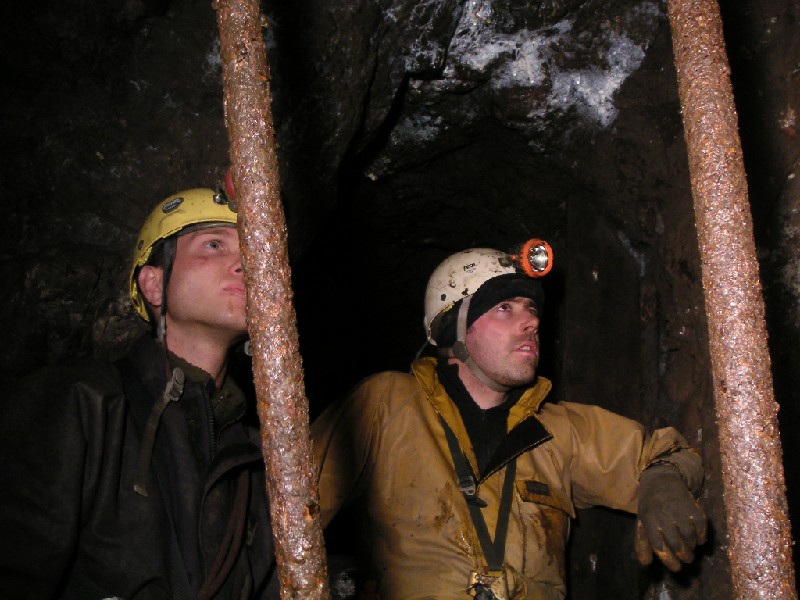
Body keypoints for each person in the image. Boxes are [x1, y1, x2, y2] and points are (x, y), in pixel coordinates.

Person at [312, 240, 707, 600]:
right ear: (454, 326)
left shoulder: (560, 431)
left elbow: (664, 452)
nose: (531, 321)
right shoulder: (386, 405)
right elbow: (287, 510)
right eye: (504, 308)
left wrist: (662, 481)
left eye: (531, 308)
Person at [0, 188, 279, 599]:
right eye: (213, 244)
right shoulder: (80, 402)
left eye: (252, 251)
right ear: (154, 284)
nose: (243, 264)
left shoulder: (257, 454)